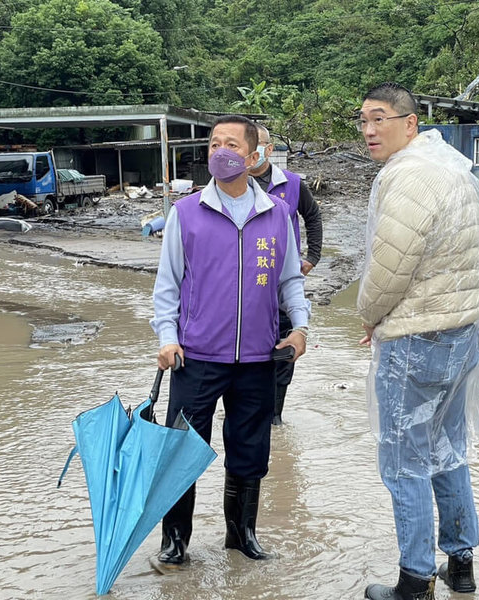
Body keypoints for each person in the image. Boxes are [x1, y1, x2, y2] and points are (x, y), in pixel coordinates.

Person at [149, 115, 311, 570]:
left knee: (250, 449)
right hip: (195, 358)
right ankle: (175, 540)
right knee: (182, 448)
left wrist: (300, 329)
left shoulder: (277, 215)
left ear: (254, 155)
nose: (221, 151)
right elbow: (167, 286)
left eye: (232, 144)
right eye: (214, 143)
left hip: (259, 358)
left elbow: (290, 281)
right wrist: (167, 338)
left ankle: (241, 536)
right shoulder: (185, 214)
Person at [356, 83, 479, 600]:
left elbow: (389, 268)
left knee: (403, 461)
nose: (369, 130)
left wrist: (366, 315)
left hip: (416, 340)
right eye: (363, 120)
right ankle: (461, 564)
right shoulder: (453, 167)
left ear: (409, 123)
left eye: (380, 119)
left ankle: (414, 581)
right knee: (447, 448)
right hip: (461, 335)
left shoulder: (410, 177)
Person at [248, 124, 323, 426]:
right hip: (247, 286)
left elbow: (313, 215)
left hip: (282, 283)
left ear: (269, 149)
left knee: (284, 346)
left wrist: (312, 257)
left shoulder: (291, 184)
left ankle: (275, 416)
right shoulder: (231, 185)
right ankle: (248, 407)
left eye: (258, 144)